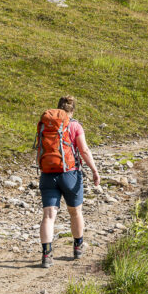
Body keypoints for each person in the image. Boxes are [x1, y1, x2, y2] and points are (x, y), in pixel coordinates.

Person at [35, 95, 100, 268]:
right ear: (72, 110)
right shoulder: (75, 126)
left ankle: (47, 255)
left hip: (48, 174)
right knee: (75, 212)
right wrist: (94, 170)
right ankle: (78, 247)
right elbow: (84, 150)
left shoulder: (47, 126)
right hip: (70, 174)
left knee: (48, 216)